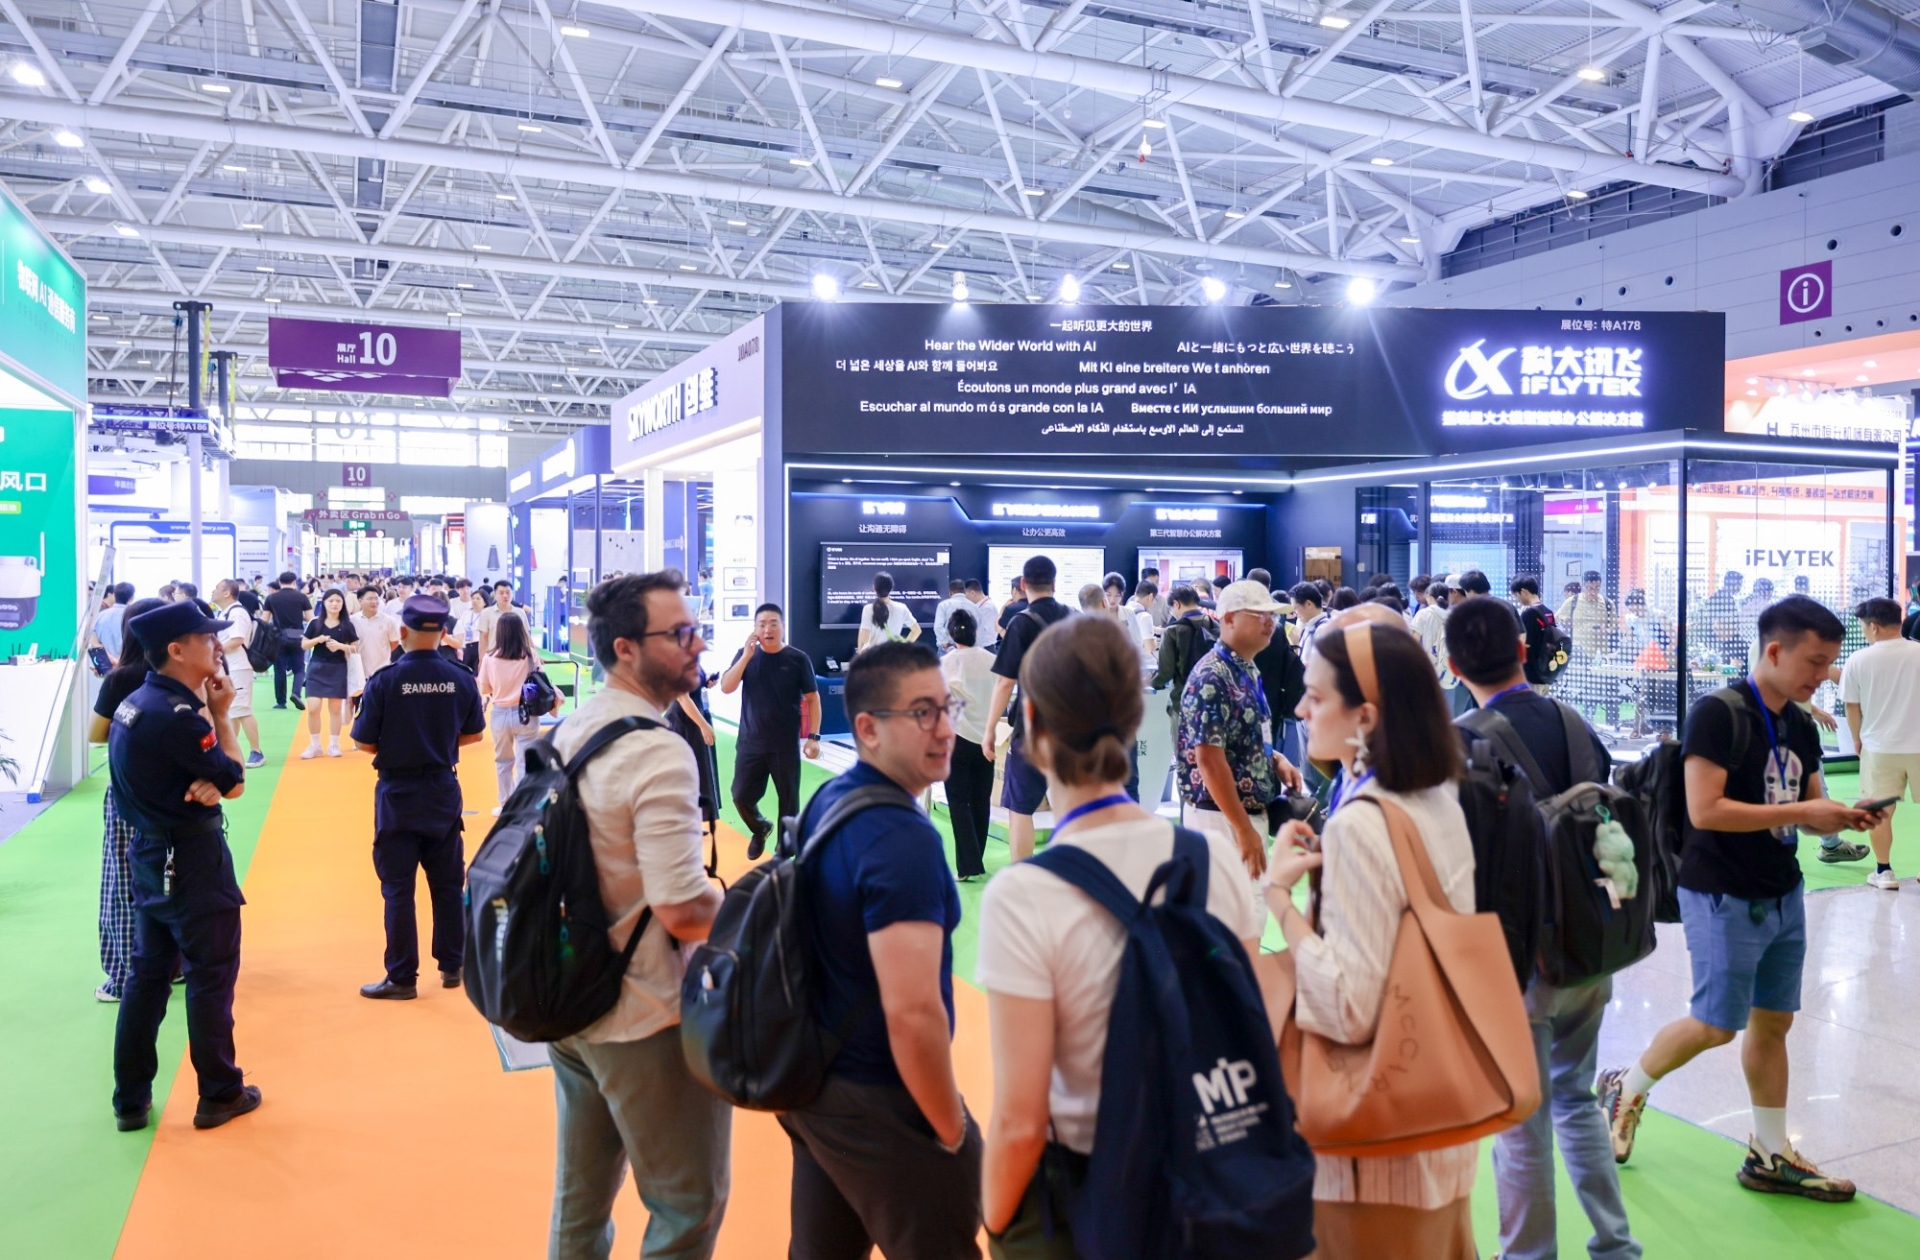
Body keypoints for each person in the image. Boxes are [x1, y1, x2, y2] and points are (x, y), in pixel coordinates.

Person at [977, 614, 1269, 1252]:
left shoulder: (1023, 896)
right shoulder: (1212, 862)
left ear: (1032, 723)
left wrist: (997, 1224)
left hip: (1085, 1198)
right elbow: (1249, 1022)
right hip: (1207, 1183)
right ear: (1135, 721)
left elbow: (1020, 1119)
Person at [1599, 596, 1884, 1203]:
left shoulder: (1800, 723)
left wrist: (1840, 815)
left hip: (1783, 889)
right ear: (1774, 651)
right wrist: (1804, 812)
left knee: (1774, 1021)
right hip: (1720, 891)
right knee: (1715, 1025)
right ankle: (1626, 1087)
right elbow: (1706, 810)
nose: (1824, 675)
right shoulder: (1718, 713)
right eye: (1815, 662)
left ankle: (1770, 1152)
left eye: (1830, 663)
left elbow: (1808, 805)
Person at [1260, 621, 1477, 1254]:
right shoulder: (1437, 796)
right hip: (1438, 1110)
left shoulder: (1361, 823)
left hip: (1373, 1146)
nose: (1302, 711)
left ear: (1366, 716)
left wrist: (1280, 902)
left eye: (1316, 696)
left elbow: (1349, 1006)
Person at [1444, 597, 1639, 1260]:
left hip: (1517, 957)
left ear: (1452, 665)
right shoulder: (1574, 722)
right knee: (1577, 1100)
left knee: (1520, 1122)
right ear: (1525, 651)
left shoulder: (1463, 741)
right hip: (1592, 941)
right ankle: (1615, 1244)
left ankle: (1530, 1255)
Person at [546, 571, 729, 1257]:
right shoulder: (656, 749)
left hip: (569, 995)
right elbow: (681, 907)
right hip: (644, 1012)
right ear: (626, 648)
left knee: (580, 1202)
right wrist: (750, 908)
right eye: (679, 633)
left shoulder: (575, 726)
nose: (697, 644)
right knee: (687, 1206)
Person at [782, 639, 979, 1257]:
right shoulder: (901, 839)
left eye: (947, 708)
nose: (944, 729)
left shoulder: (830, 798)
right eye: (923, 713)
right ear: (867, 728)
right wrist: (951, 1128)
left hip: (815, 1083)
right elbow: (913, 1013)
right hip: (881, 1096)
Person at [108, 601, 260, 1133]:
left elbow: (216, 780)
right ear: (176, 650)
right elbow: (235, 781)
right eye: (205, 637)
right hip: (191, 861)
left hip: (151, 856)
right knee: (210, 977)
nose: (216, 644)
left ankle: (130, 1099)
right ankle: (220, 1092)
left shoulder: (136, 703)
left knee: (147, 978)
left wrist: (213, 772)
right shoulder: (176, 718)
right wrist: (222, 722)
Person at [350, 595, 486, 1000]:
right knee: (447, 883)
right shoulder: (460, 677)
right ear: (443, 632)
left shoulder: (385, 680)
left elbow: (363, 743)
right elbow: (475, 733)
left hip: (398, 793)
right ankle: (453, 965)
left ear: (403, 631)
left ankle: (402, 977)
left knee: (398, 888)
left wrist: (402, 747)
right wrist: (439, 745)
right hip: (443, 790)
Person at [1177, 579, 1303, 907]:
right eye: (1259, 614)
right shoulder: (1212, 676)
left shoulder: (1246, 669)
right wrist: (1243, 829)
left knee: (1249, 915)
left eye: (1272, 615)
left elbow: (1236, 738)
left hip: (1238, 815)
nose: (1270, 622)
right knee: (1230, 918)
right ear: (1229, 618)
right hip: (1220, 817)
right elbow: (1208, 760)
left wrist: (1273, 758)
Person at [87, 597, 166, 1003]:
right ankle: (173, 964)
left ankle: (124, 974)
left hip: (128, 792)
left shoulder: (122, 679)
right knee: (171, 877)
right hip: (179, 793)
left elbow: (95, 734)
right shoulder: (183, 676)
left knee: (123, 881)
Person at [984, 556, 1075, 862]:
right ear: (1055, 583)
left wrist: (989, 731)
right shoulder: (1074, 618)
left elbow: (1004, 683)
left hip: (1032, 730)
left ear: (1023, 585)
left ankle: (1023, 875)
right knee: (1069, 807)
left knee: (1020, 809)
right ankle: (1071, 874)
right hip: (1072, 730)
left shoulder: (1021, 623)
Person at [719, 602, 822, 860]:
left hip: (784, 745)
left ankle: (783, 854)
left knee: (788, 803)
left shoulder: (798, 659)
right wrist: (746, 656)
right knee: (740, 795)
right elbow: (726, 687)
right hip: (750, 742)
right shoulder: (745, 655)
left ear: (783, 627)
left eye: (773, 624)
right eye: (762, 625)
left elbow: (813, 699)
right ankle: (760, 827)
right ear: (754, 629)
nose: (768, 630)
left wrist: (813, 737)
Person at [1840, 596, 1920, 889]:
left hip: (1879, 747)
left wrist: (1856, 739)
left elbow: (1852, 706)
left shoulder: (1858, 659)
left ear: (1873, 627)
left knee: (1881, 811)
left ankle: (1884, 872)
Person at [940, 607, 996, 880]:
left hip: (957, 737)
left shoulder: (947, 662)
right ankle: (977, 858)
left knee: (958, 801)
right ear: (976, 632)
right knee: (981, 800)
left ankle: (967, 866)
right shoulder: (992, 659)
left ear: (951, 634)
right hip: (987, 738)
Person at [477, 610, 542, 812]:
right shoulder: (530, 655)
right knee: (525, 763)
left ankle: (506, 805)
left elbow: (484, 688)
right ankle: (523, 806)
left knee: (503, 762)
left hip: (500, 714)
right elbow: (541, 681)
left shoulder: (489, 658)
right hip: (527, 713)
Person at [1150, 583, 1214, 753]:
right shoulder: (1216, 627)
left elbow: (1165, 672)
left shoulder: (1173, 631)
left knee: (1184, 758)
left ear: (1176, 604)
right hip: (1213, 704)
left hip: (1183, 703)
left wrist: (1152, 683)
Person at [211, 580, 266, 768]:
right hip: (228, 667)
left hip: (238, 667)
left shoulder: (237, 612)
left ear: (227, 593)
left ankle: (256, 751)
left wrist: (214, 650)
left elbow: (237, 640)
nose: (213, 591)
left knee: (242, 710)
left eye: (216, 588)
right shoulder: (225, 612)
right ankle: (228, 750)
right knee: (232, 711)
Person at [299, 589, 358, 759]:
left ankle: (334, 744)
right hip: (316, 668)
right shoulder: (315, 623)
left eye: (338, 601)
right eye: (331, 600)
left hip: (338, 668)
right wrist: (317, 640)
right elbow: (304, 645)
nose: (334, 604)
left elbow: (355, 647)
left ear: (343, 604)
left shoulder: (347, 625)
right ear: (324, 603)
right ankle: (315, 745)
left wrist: (340, 646)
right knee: (313, 708)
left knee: (335, 709)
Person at [349, 585, 401, 713]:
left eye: (376, 598)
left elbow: (394, 642)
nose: (374, 602)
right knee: (360, 709)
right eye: (370, 598)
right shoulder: (352, 621)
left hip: (382, 671)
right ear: (360, 601)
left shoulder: (388, 620)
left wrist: (383, 653)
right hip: (359, 673)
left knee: (382, 708)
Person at [264, 570, 311, 710]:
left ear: (280, 582)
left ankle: (281, 702)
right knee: (299, 668)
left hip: (278, 636)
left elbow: (264, 620)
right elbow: (310, 618)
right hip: (297, 635)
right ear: (294, 582)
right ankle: (296, 693)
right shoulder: (302, 597)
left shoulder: (271, 598)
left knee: (279, 669)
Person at [1509, 575, 1562, 691]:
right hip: (1546, 672)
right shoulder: (1548, 612)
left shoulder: (1529, 614)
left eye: (1516, 595)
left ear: (1523, 592)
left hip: (1532, 674)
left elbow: (1525, 643)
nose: (1517, 599)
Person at [856, 571, 920, 652]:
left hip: (875, 656)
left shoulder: (868, 609)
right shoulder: (902, 608)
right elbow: (917, 630)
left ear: (874, 588)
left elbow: (864, 642)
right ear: (891, 589)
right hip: (893, 657)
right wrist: (903, 648)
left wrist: (860, 653)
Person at [1289, 581, 1331, 669]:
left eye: (1295, 608)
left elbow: (1324, 664)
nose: (1295, 613)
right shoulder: (1309, 626)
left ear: (1309, 604)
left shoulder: (1323, 629)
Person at [94, 581, 136, 661]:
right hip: (129, 664)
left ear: (114, 595)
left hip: (106, 664)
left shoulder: (99, 616)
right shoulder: (134, 616)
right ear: (132, 597)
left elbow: (95, 643)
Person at [932, 579, 969, 654]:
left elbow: (938, 627)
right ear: (965, 591)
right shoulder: (974, 606)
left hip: (946, 650)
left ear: (950, 592)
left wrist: (948, 643)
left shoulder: (943, 605)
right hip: (968, 648)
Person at [963, 578, 1000, 651]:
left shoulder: (987, 608)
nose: (966, 599)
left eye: (966, 596)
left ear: (973, 593)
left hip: (986, 648)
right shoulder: (979, 607)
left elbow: (981, 631)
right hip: (979, 647)